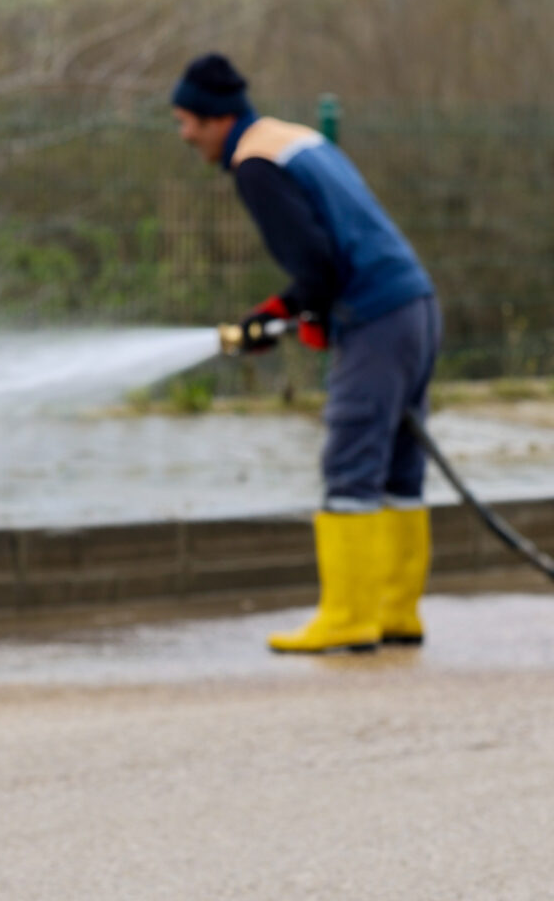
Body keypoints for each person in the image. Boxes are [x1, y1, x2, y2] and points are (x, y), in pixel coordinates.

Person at [171, 54, 440, 654]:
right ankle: (397, 613)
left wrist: (278, 315)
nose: (184, 135)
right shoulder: (295, 137)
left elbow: (316, 267)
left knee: (351, 461)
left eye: (186, 121)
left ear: (216, 118)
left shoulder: (255, 165)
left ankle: (347, 616)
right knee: (400, 466)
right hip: (414, 305)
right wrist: (293, 311)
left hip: (374, 315)